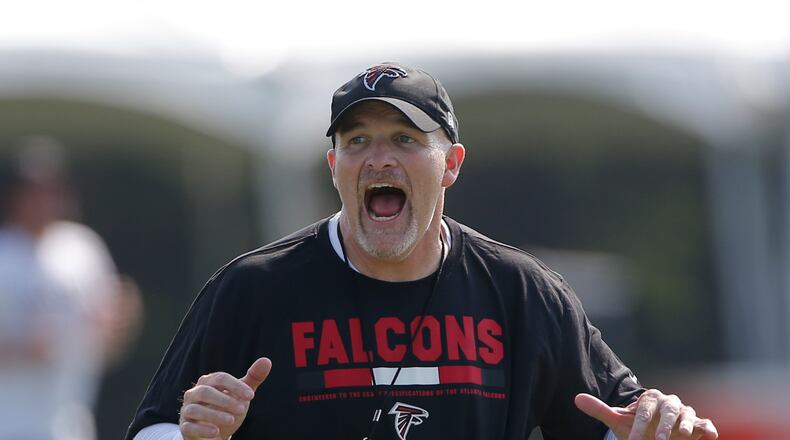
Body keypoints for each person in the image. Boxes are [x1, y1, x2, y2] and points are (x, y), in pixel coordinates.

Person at [127, 63, 718, 440]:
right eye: (358, 141)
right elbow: (154, 430)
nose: (379, 159)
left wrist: (657, 426)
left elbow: (616, 423)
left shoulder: (520, 292)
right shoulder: (253, 288)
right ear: (334, 165)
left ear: (451, 164)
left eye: (405, 139)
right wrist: (193, 436)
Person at [0, 139, 142, 440]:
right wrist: (22, 349)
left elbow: (108, 345)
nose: (44, 201)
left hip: (70, 425)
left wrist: (122, 320)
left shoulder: (82, 248)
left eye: (52, 190)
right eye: (34, 192)